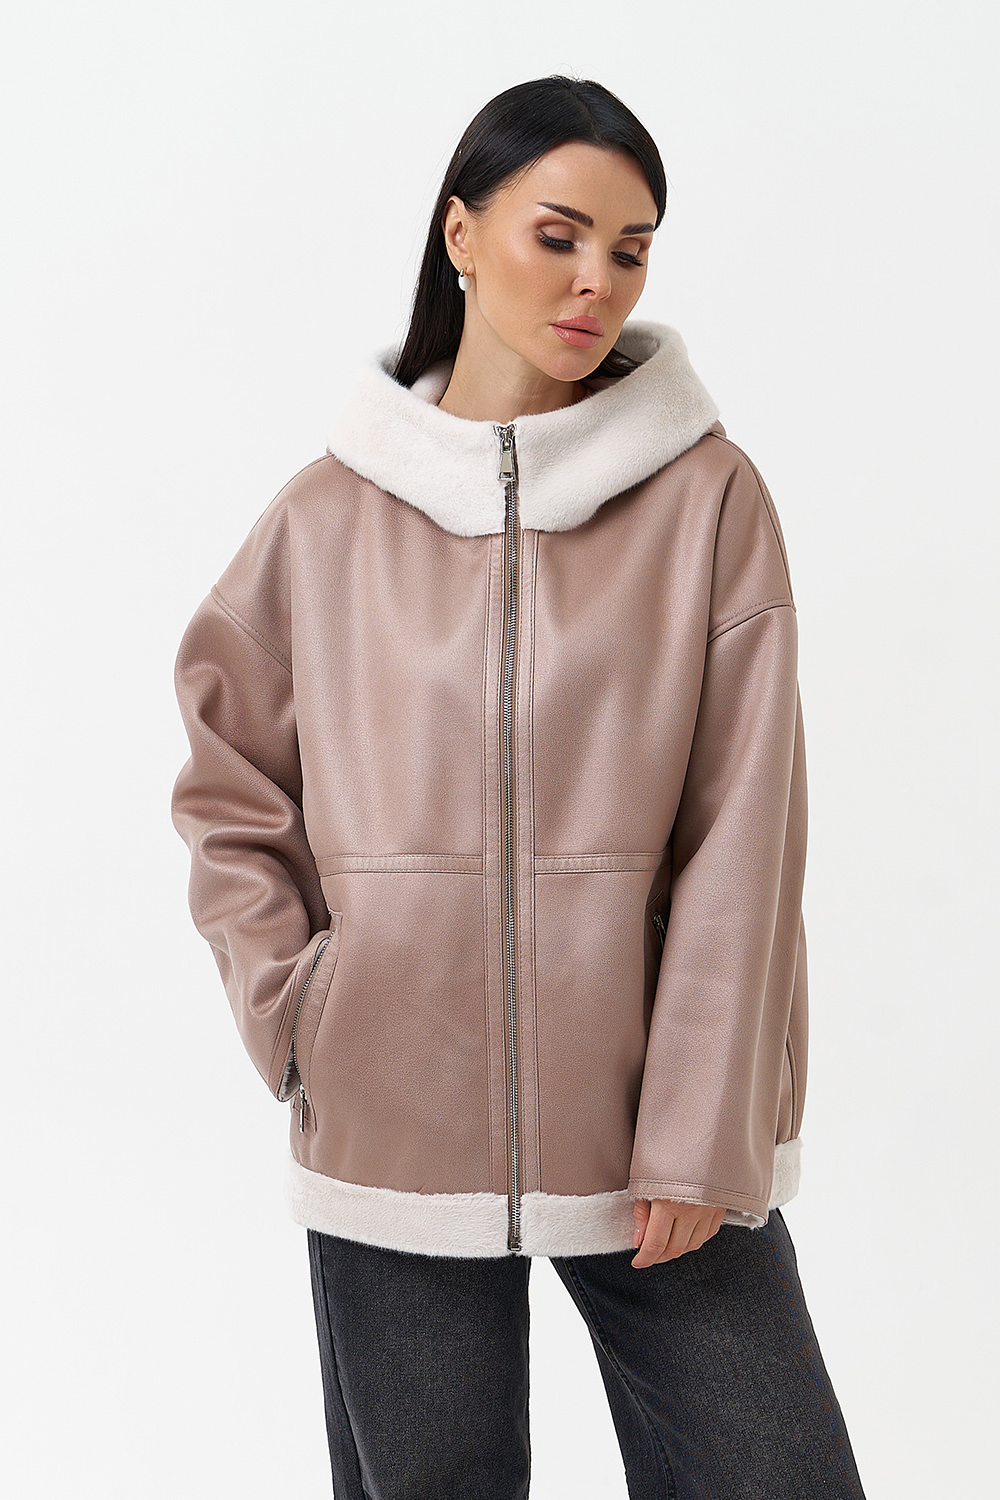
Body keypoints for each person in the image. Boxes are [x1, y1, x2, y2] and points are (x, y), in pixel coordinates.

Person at [170, 74, 867, 1500]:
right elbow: (230, 781)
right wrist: (299, 1013)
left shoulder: (706, 500)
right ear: (462, 235)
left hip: (652, 1117)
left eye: (631, 249)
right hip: (391, 1113)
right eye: (560, 235)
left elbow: (746, 833)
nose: (597, 279)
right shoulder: (327, 515)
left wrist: (700, 1134)